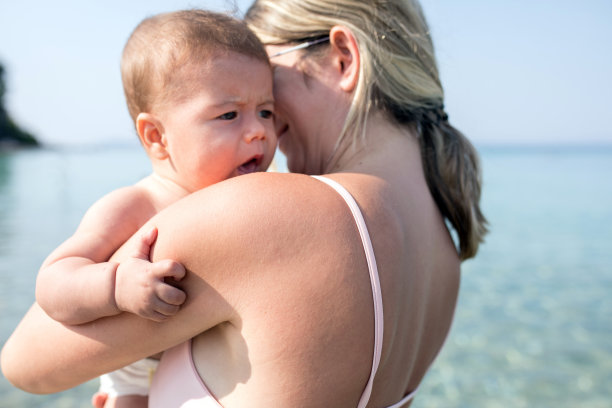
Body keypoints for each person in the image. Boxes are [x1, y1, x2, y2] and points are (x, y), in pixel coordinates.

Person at [1, 1, 487, 407]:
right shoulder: (444, 252)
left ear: (343, 58)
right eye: (230, 110)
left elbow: (23, 363)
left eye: (270, 92)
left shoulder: (265, 214)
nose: (263, 130)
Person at [32, 9, 276, 408]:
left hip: (206, 362)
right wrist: (116, 286)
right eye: (229, 114)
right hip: (135, 374)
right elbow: (53, 282)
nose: (259, 131)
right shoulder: (135, 205)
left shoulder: (254, 195)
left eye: (266, 111)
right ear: (156, 136)